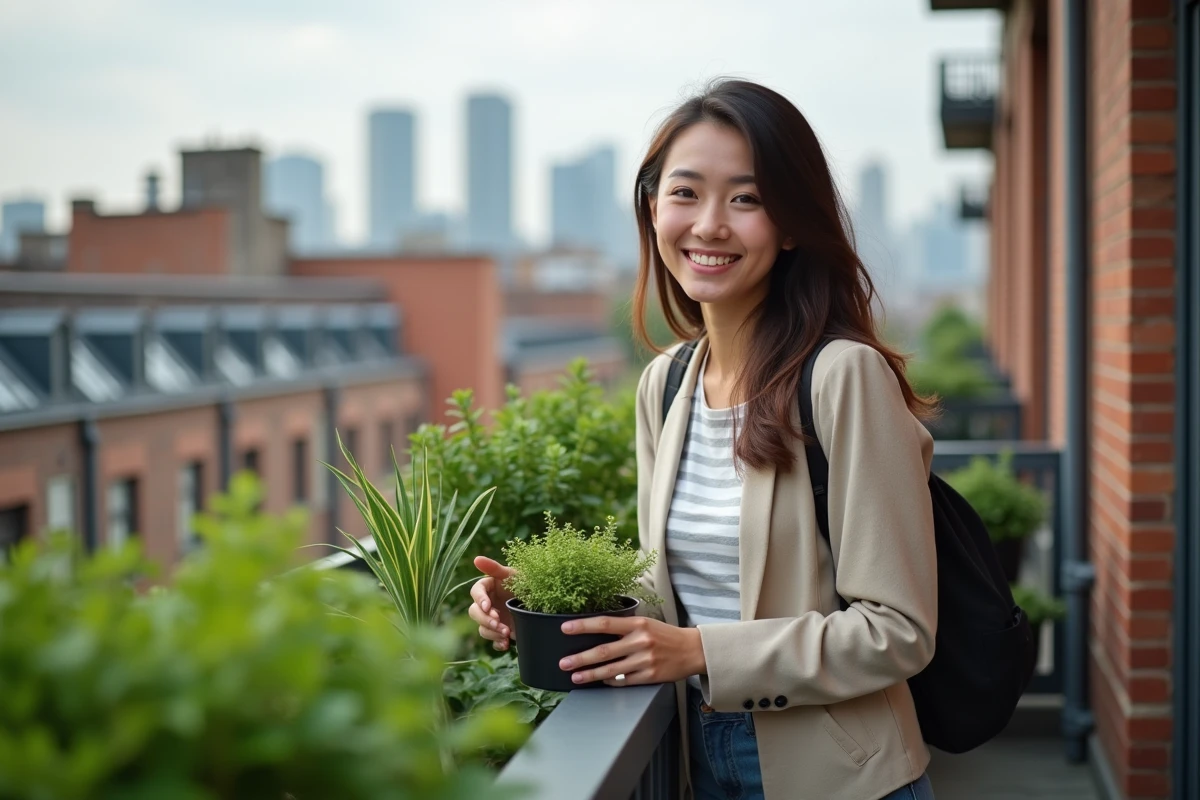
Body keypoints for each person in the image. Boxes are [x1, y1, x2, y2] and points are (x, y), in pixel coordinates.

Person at [469, 78, 938, 800]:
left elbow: (898, 630)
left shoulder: (845, 378)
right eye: (685, 193)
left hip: (839, 775)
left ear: (789, 225)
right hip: (696, 756)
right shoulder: (665, 384)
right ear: (652, 207)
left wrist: (698, 651)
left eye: (745, 199)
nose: (710, 225)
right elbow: (669, 589)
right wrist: (541, 605)